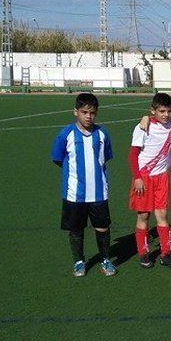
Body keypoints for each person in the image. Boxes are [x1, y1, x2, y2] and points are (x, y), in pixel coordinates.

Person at [52, 93, 116, 277]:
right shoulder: (66, 134)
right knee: (76, 229)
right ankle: (79, 261)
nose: (88, 116)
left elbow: (105, 158)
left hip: (98, 192)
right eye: (84, 112)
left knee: (102, 227)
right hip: (74, 193)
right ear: (76, 111)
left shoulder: (102, 133)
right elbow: (58, 158)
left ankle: (105, 259)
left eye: (92, 113)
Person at [129, 92, 171, 268]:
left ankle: (167, 253)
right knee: (143, 215)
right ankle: (143, 253)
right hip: (144, 177)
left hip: (161, 177)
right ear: (153, 110)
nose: (166, 115)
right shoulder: (143, 127)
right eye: (161, 111)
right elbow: (133, 154)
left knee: (162, 215)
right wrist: (137, 178)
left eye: (168, 111)